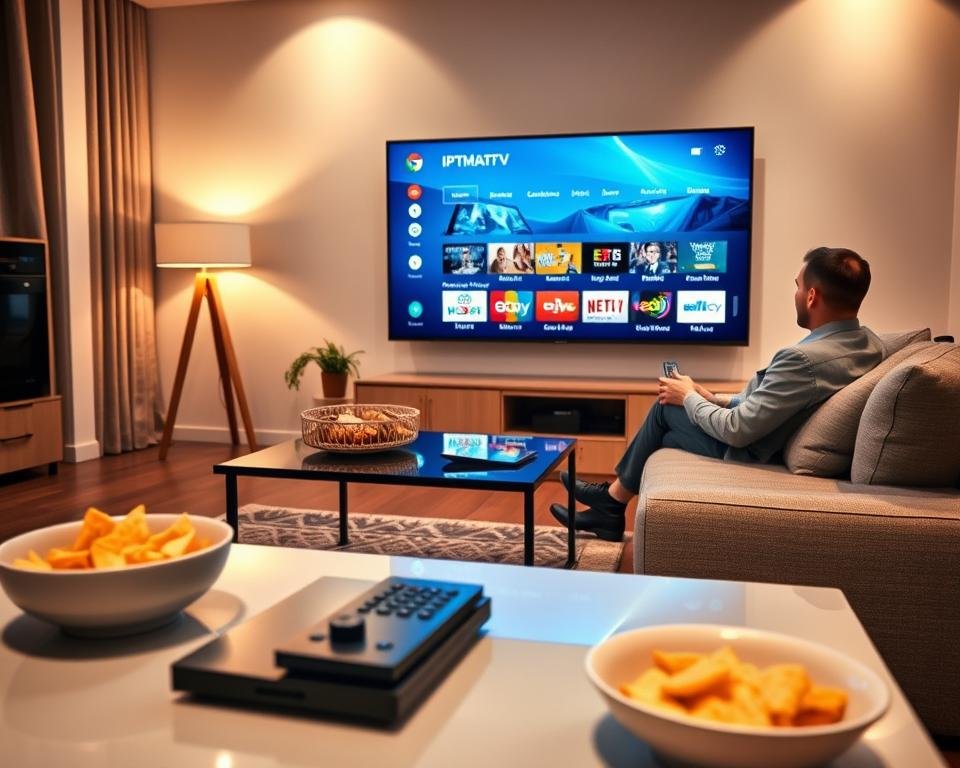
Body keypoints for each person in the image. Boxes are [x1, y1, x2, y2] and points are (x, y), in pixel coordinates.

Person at [550, 247, 884, 542]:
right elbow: (775, 404)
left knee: (665, 410)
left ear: (812, 296)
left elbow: (738, 431)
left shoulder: (803, 360)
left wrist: (688, 398)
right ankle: (610, 503)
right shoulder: (868, 344)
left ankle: (610, 504)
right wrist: (712, 397)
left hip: (751, 451)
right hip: (766, 433)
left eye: (797, 287)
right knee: (667, 428)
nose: (795, 295)